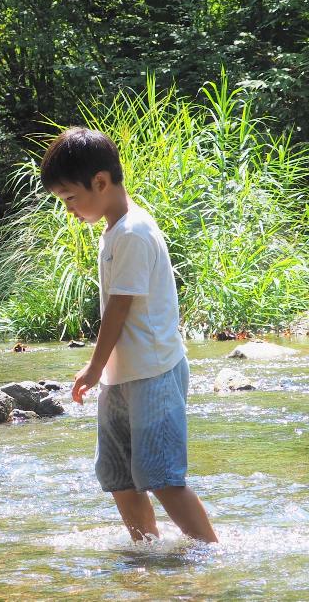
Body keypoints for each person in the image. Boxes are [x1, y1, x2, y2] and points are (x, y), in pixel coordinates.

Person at [40, 126, 218, 544]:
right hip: (122, 377)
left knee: (162, 476)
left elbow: (119, 309)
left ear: (100, 182)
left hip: (153, 373)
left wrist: (92, 366)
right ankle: (147, 550)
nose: (68, 209)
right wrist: (104, 374)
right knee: (119, 475)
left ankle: (211, 554)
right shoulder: (116, 229)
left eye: (69, 198)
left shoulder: (134, 232)